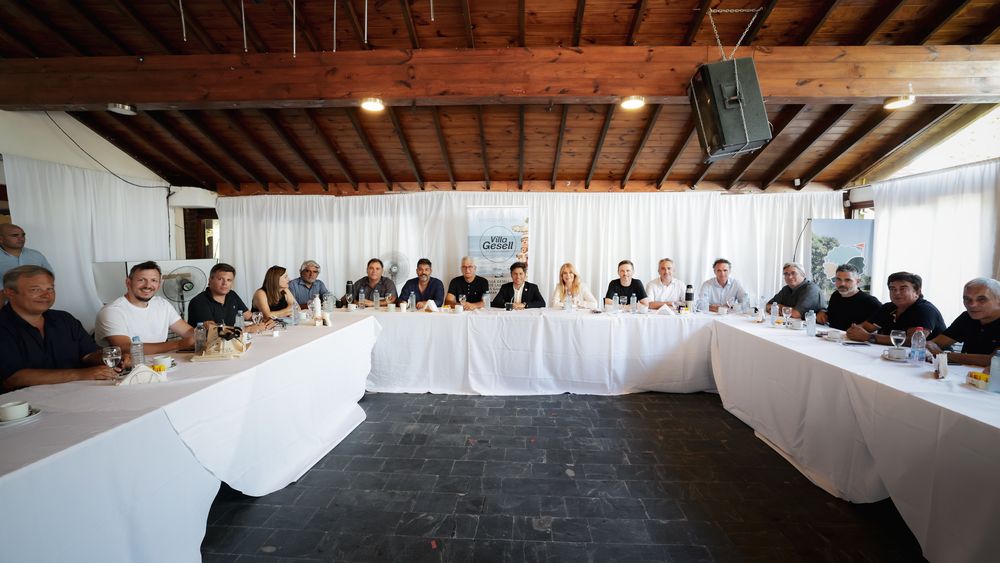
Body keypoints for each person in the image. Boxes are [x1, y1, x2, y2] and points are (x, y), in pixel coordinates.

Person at [1, 265, 118, 391]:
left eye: (50, 289)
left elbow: (88, 355)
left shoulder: (64, 320)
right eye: (35, 290)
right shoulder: (3, 326)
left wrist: (110, 358)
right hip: (23, 405)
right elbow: (13, 378)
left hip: (77, 394)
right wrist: (81, 374)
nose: (46, 295)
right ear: (10, 293)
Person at [94, 261, 195, 353]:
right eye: (141, 280)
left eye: (154, 280)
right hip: (127, 370)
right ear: (128, 283)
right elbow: (125, 348)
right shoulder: (112, 311)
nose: (148, 285)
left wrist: (205, 331)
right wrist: (178, 344)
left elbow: (188, 332)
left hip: (161, 365)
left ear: (158, 285)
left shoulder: (163, 305)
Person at [846, 272, 946, 345]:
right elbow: (865, 327)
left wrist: (869, 337)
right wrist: (855, 331)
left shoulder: (925, 310)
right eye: (892, 289)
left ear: (917, 292)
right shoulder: (888, 307)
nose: (897, 293)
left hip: (930, 361)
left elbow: (912, 342)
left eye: (903, 288)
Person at [926, 277, 1000, 368]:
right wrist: (934, 348)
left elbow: (994, 360)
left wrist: (944, 355)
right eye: (967, 299)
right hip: (966, 375)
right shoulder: (967, 317)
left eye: (981, 299)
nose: (972, 305)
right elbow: (933, 343)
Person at [187, 263, 272, 331]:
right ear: (210, 280)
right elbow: (213, 330)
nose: (225, 283)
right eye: (220, 279)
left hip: (229, 343)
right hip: (205, 348)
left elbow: (249, 316)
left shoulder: (232, 295)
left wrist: (267, 320)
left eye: (229, 280)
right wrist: (247, 329)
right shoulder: (199, 301)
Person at [816, 263, 881, 330]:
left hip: (855, 340)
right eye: (838, 279)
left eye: (847, 280)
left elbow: (884, 320)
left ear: (857, 282)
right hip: (832, 337)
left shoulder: (869, 301)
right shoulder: (836, 295)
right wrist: (823, 312)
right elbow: (831, 316)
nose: (842, 284)